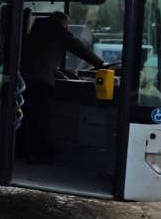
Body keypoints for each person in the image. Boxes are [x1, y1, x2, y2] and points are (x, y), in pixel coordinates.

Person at [19, 12, 104, 163]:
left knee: (26, 117)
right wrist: (100, 64)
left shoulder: (35, 31)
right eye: (67, 25)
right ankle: (37, 154)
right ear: (63, 23)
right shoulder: (59, 32)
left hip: (23, 80)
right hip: (41, 82)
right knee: (40, 120)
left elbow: (40, 55)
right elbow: (81, 50)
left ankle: (22, 151)